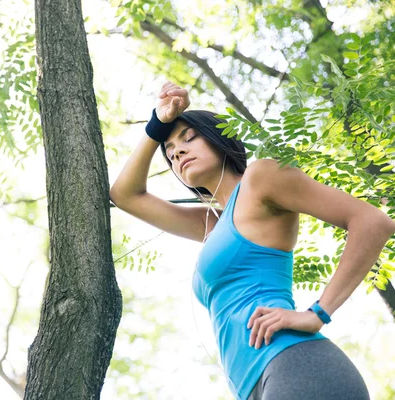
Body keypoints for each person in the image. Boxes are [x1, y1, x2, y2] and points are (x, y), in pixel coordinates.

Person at [109, 81, 394, 399]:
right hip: (256, 385)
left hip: (295, 364)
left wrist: (318, 313)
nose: (178, 152)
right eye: (171, 152)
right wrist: (156, 124)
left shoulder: (260, 178)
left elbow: (373, 221)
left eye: (189, 138)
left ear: (219, 138)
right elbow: (125, 195)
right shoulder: (212, 224)